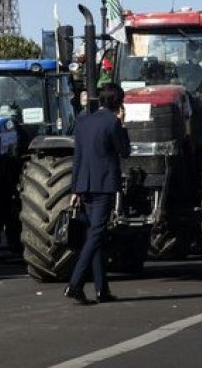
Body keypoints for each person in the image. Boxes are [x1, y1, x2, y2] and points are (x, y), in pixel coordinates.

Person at [64, 83, 130, 305]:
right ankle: (75, 284)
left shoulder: (83, 122)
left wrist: (75, 188)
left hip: (85, 184)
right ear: (117, 103)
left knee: (97, 236)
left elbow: (78, 158)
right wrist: (123, 124)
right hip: (104, 186)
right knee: (95, 235)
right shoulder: (112, 123)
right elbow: (125, 151)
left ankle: (102, 289)